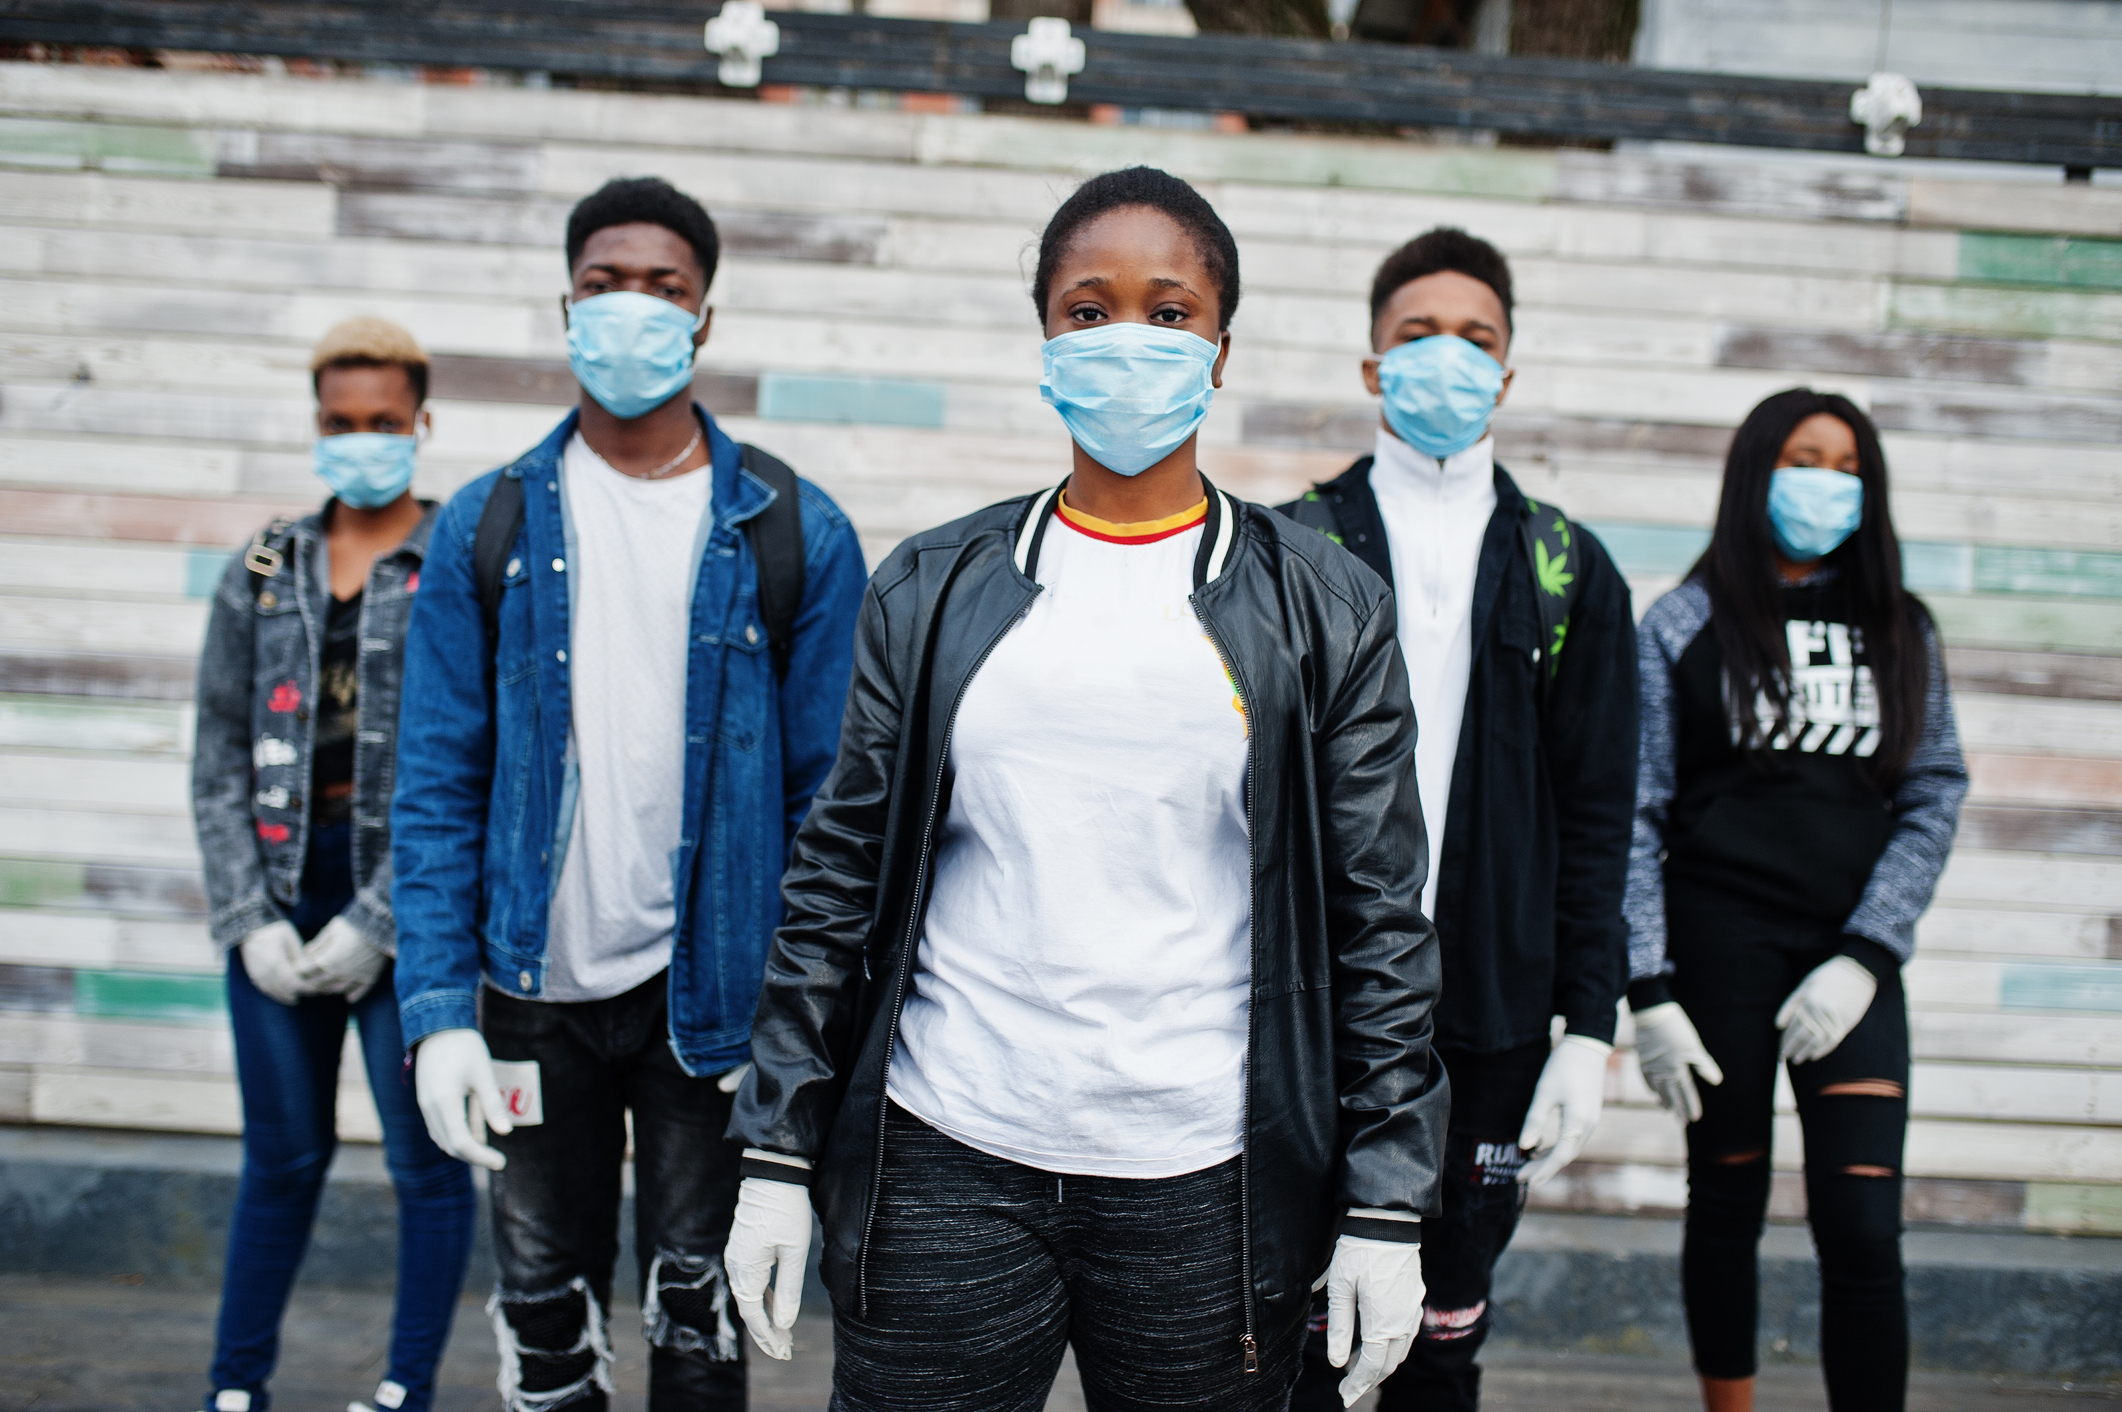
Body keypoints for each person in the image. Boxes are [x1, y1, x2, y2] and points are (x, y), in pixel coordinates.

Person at [719, 165, 1447, 1412]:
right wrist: (774, 1148)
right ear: (1045, 339)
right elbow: (836, 873)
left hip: (1204, 1181)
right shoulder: (934, 586)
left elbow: (1379, 912)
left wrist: (1387, 1197)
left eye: (1168, 313)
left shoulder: (1324, 606)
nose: (1127, 341)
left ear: (1220, 350)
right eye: (1086, 307)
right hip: (949, 1153)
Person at [390, 176, 867, 1412]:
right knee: (545, 1319)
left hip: (711, 1003)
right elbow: (437, 779)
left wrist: (802, 1026)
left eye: (663, 287)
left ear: (704, 317)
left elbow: (831, 806)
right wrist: (439, 1007)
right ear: (565, 305)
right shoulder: (485, 527)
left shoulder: (794, 530)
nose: (632, 310)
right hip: (528, 991)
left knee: (699, 1316)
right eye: (605, 284)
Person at [1280, 228, 1638, 1412]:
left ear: (1508, 372)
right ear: (1372, 365)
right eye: (1416, 334)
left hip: (1489, 1012)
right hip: (1318, 1002)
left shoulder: (1566, 570)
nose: (1446, 357)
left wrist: (1588, 1024)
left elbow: (1599, 815)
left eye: (1473, 339)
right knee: (1300, 1330)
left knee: (1442, 1334)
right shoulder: (1288, 548)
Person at [1624, 389, 1966, 1412]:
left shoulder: (1899, 627)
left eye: (1847, 466)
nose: (1825, 482)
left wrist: (1868, 950)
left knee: (1862, 1222)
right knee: (1725, 1200)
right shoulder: (1682, 623)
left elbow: (1933, 788)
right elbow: (1634, 808)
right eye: (1802, 459)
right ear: (1753, 472)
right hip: (1716, 948)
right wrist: (1645, 985)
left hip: (1848, 964)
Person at [191, 317, 474, 1412]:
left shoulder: (457, 561)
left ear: (421, 423)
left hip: (411, 920)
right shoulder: (264, 567)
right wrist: (244, 916)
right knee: (282, 1157)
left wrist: (383, 919)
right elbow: (218, 748)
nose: (363, 440)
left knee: (423, 1163)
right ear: (317, 425)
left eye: (384, 423)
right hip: (274, 902)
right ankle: (234, 1385)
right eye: (341, 423)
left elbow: (478, 757)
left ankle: (405, 1385)